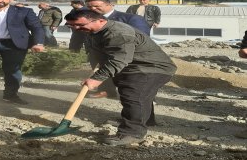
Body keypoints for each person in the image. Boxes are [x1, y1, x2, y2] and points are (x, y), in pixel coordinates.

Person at [65, 9, 176, 146]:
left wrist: (97, 78)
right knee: (136, 95)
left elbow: (119, 60)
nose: (76, 28)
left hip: (150, 67)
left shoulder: (118, 32)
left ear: (100, 20)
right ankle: (146, 120)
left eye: (80, 25)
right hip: (133, 67)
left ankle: (132, 133)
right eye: (72, 26)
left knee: (134, 95)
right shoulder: (94, 31)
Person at [84, 0, 151, 99]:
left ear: (110, 5)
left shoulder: (131, 18)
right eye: (89, 7)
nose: (93, 9)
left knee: (132, 77)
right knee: (102, 72)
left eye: (97, 6)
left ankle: (140, 96)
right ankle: (106, 91)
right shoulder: (89, 20)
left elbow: (141, 37)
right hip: (98, 53)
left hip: (125, 54)